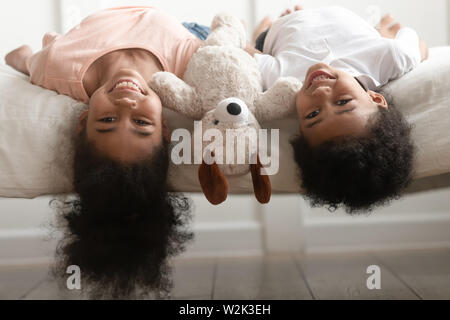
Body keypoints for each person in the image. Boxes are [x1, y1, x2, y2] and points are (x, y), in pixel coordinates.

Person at [5, 6, 202, 299]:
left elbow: (39, 62)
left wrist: (24, 59)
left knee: (30, 61)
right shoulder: (191, 68)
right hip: (192, 30)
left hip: (71, 43)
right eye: (141, 123)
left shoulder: (57, 67)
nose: (125, 104)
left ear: (83, 121)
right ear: (164, 128)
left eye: (107, 120)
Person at [247, 5, 428, 213]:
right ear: (375, 98)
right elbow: (416, 45)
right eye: (343, 102)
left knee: (260, 44)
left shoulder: (282, 80)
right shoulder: (389, 59)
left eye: (313, 114)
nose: (322, 94)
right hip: (352, 24)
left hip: (281, 32)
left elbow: (245, 57)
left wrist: (262, 42)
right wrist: (387, 37)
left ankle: (270, 32)